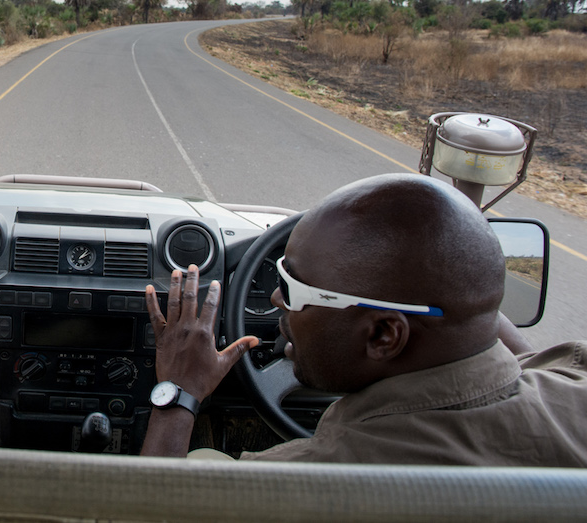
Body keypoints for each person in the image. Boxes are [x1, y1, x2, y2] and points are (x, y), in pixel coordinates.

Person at [140, 173, 587, 466]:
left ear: (383, 335)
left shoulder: (299, 483)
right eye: (276, 276)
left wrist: (178, 391)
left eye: (294, 289)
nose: (276, 296)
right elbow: (491, 333)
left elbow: (146, 511)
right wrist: (444, 243)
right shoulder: (573, 399)